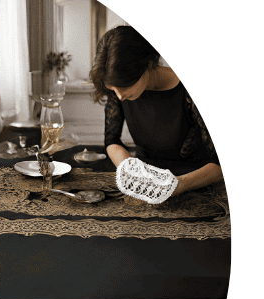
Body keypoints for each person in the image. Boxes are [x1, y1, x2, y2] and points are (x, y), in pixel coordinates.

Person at [90, 25, 223, 197]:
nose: (119, 96)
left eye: (124, 87)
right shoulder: (119, 86)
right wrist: (129, 170)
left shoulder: (190, 90)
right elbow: (111, 140)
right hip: (148, 184)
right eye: (112, 88)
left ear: (147, 64)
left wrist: (178, 185)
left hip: (194, 183)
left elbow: (220, 163)